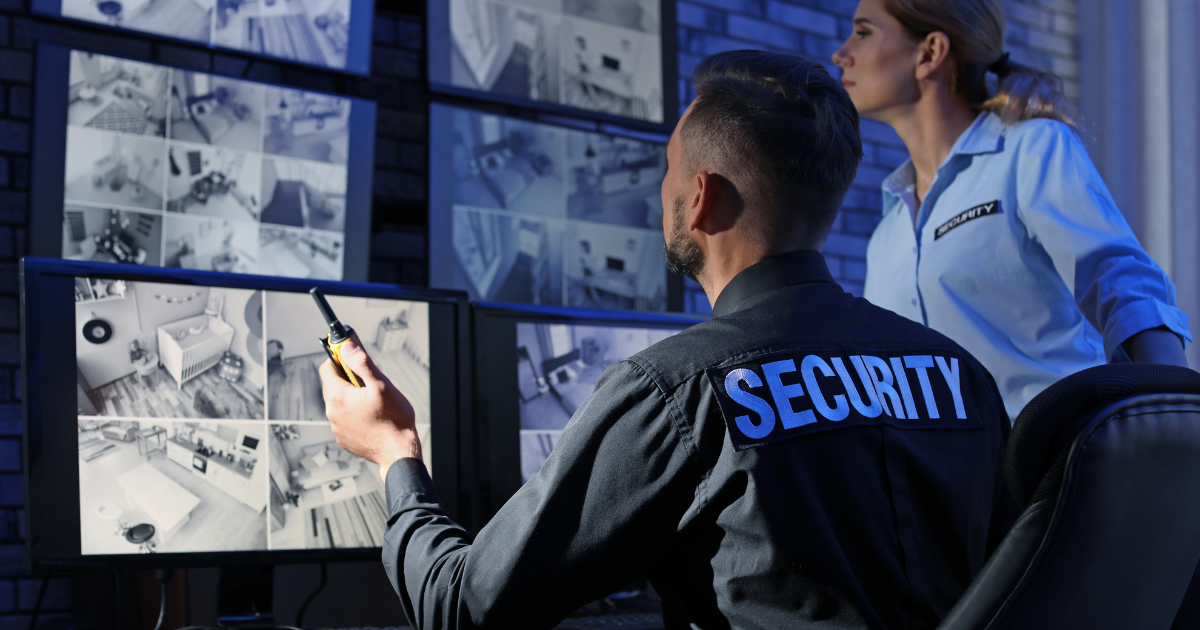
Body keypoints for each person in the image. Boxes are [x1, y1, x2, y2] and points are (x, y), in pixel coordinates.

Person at [320, 50, 1013, 630]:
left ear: (701, 198)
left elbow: (460, 605)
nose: (661, 192)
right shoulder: (962, 377)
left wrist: (393, 453)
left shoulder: (676, 391)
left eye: (670, 172)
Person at [832, 0, 1191, 420]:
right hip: (946, 481)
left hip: (1057, 468)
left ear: (930, 52)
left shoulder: (1031, 150)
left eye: (863, 31)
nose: (841, 53)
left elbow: (1120, 281)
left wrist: (1177, 418)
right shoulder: (887, 231)